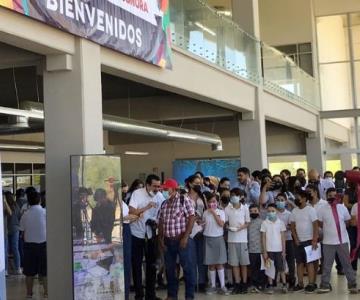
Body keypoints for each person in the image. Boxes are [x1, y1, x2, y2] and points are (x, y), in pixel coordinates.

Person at [158, 179, 196, 300]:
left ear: (173, 189)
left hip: (182, 240)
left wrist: (185, 237)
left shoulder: (184, 200)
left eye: (166, 189)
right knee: (170, 270)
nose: (164, 191)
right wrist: (160, 239)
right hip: (168, 242)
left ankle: (189, 296)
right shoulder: (164, 203)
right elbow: (161, 221)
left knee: (188, 269)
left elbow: (191, 217)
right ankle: (172, 295)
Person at [129, 174, 165, 300]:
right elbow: (132, 211)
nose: (156, 189)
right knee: (137, 264)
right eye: (154, 186)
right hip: (137, 234)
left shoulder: (159, 196)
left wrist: (155, 222)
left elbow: (161, 214)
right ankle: (139, 294)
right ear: (147, 185)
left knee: (151, 265)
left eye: (158, 186)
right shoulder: (137, 194)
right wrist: (146, 207)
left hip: (151, 235)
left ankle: (151, 294)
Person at [317, 188, 358, 294]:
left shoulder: (342, 208)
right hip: (328, 242)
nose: (332, 197)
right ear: (326, 196)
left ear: (338, 197)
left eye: (334, 195)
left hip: (342, 241)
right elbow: (320, 223)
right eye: (330, 195)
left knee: (346, 263)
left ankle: (352, 284)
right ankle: (325, 284)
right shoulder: (322, 209)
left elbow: (347, 222)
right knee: (326, 264)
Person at [19, 190, 47, 299]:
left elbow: (22, 230)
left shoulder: (25, 214)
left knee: (29, 273)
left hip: (29, 247)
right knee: (45, 272)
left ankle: (29, 294)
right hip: (44, 245)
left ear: (28, 202)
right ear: (39, 200)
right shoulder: (45, 212)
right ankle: (46, 293)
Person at [290, 190, 319, 293]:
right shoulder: (294, 211)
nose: (297, 199)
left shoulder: (310, 210)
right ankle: (300, 283)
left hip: (310, 240)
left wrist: (314, 240)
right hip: (298, 241)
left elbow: (315, 225)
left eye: (299, 197)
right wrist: (296, 239)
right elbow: (292, 227)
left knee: (310, 263)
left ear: (304, 199)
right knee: (299, 263)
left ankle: (311, 283)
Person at [202, 192, 229, 296]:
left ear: (217, 202)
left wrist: (213, 212)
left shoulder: (221, 212)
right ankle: (213, 285)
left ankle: (222, 286)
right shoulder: (205, 212)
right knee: (211, 264)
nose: (211, 203)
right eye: (209, 201)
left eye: (214, 201)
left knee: (219, 263)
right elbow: (204, 224)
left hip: (218, 239)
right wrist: (200, 223)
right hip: (208, 238)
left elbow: (221, 224)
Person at [225, 189, 250, 294]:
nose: (233, 197)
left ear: (240, 197)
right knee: (234, 264)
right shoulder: (228, 208)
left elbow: (248, 222)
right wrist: (228, 227)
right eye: (232, 195)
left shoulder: (245, 208)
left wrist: (241, 228)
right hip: (231, 240)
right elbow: (225, 223)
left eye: (235, 195)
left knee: (243, 263)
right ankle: (237, 284)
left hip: (243, 239)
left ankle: (244, 284)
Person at [261, 203, 287, 294]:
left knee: (281, 268)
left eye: (273, 211)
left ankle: (284, 284)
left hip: (279, 250)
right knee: (269, 268)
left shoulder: (281, 223)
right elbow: (263, 237)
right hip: (269, 250)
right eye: (269, 211)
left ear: (276, 212)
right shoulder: (264, 223)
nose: (271, 213)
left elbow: (283, 238)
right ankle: (271, 285)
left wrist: (284, 251)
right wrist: (264, 251)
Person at [186, 175, 207, 292]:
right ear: (190, 184)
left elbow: (207, 211)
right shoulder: (184, 197)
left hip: (202, 230)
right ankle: (193, 283)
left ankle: (202, 282)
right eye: (196, 183)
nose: (199, 185)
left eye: (200, 183)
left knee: (201, 258)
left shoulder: (202, 196)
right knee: (191, 258)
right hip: (189, 231)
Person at [276, 193, 296, 289]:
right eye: (278, 200)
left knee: (290, 260)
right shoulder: (273, 213)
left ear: (285, 202)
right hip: (276, 241)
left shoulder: (289, 214)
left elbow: (291, 227)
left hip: (288, 239)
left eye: (282, 200)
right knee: (277, 261)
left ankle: (292, 279)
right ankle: (276, 280)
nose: (280, 202)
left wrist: (284, 227)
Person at [248, 204, 266, 292]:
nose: (253, 213)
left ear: (258, 211)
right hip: (250, 249)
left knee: (260, 268)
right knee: (252, 268)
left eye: (255, 211)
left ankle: (261, 284)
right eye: (251, 211)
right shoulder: (248, 222)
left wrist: (264, 249)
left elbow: (264, 236)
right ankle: (253, 284)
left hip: (260, 250)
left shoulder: (262, 222)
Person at [5, 192, 22, 275]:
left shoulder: (6, 206)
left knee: (7, 249)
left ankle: (6, 269)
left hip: (8, 230)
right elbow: (20, 217)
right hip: (15, 229)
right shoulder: (16, 206)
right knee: (15, 248)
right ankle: (17, 268)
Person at [3, 194, 12, 276]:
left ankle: (5, 270)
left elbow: (10, 213)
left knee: (5, 253)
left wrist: (5, 202)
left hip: (4, 234)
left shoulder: (4, 204)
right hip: (3, 234)